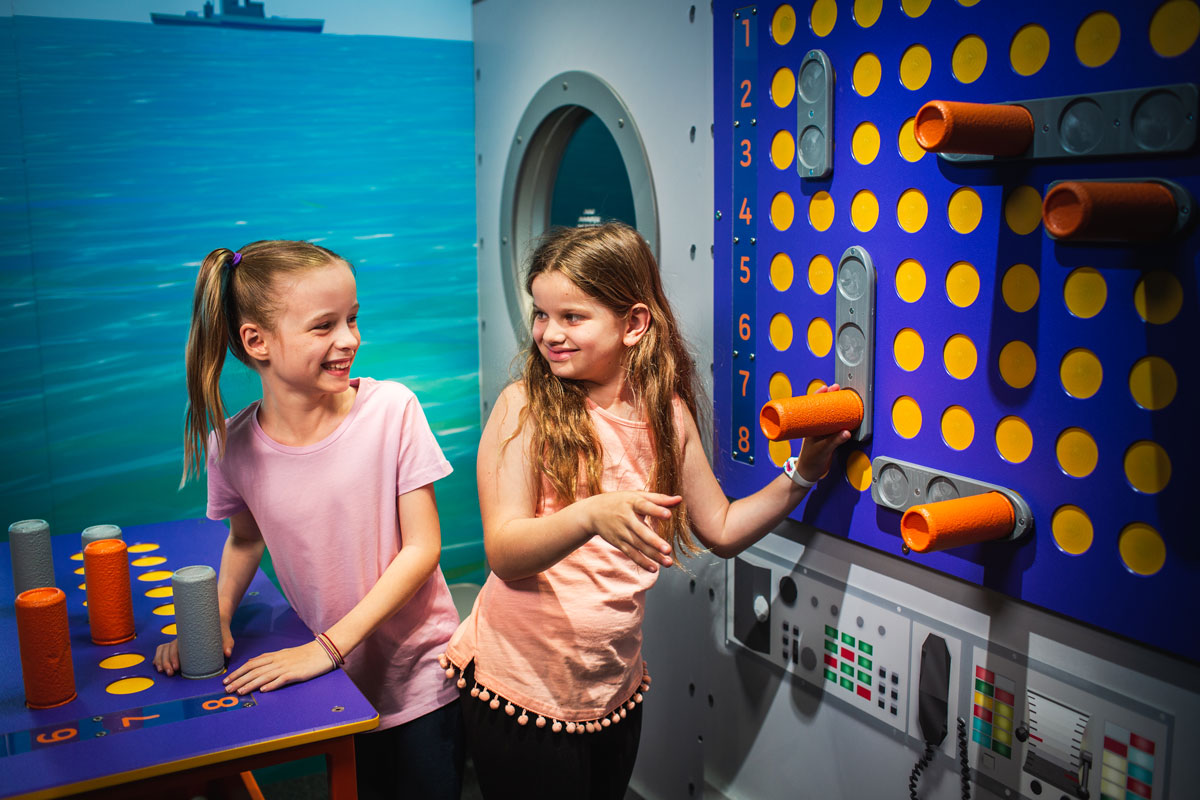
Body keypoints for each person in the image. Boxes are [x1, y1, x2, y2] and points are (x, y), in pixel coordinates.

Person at [440, 222, 851, 799]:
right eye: (541, 314)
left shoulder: (668, 414)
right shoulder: (524, 406)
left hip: (612, 689)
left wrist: (803, 473)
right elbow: (506, 555)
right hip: (519, 689)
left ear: (633, 324)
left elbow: (724, 530)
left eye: (572, 317)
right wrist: (591, 514)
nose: (548, 334)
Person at [153, 240, 463, 800]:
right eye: (325, 326)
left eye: (352, 319)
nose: (349, 340)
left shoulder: (393, 411)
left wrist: (326, 647)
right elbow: (246, 540)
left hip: (420, 677)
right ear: (257, 341)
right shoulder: (233, 446)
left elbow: (422, 549)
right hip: (336, 685)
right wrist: (215, 618)